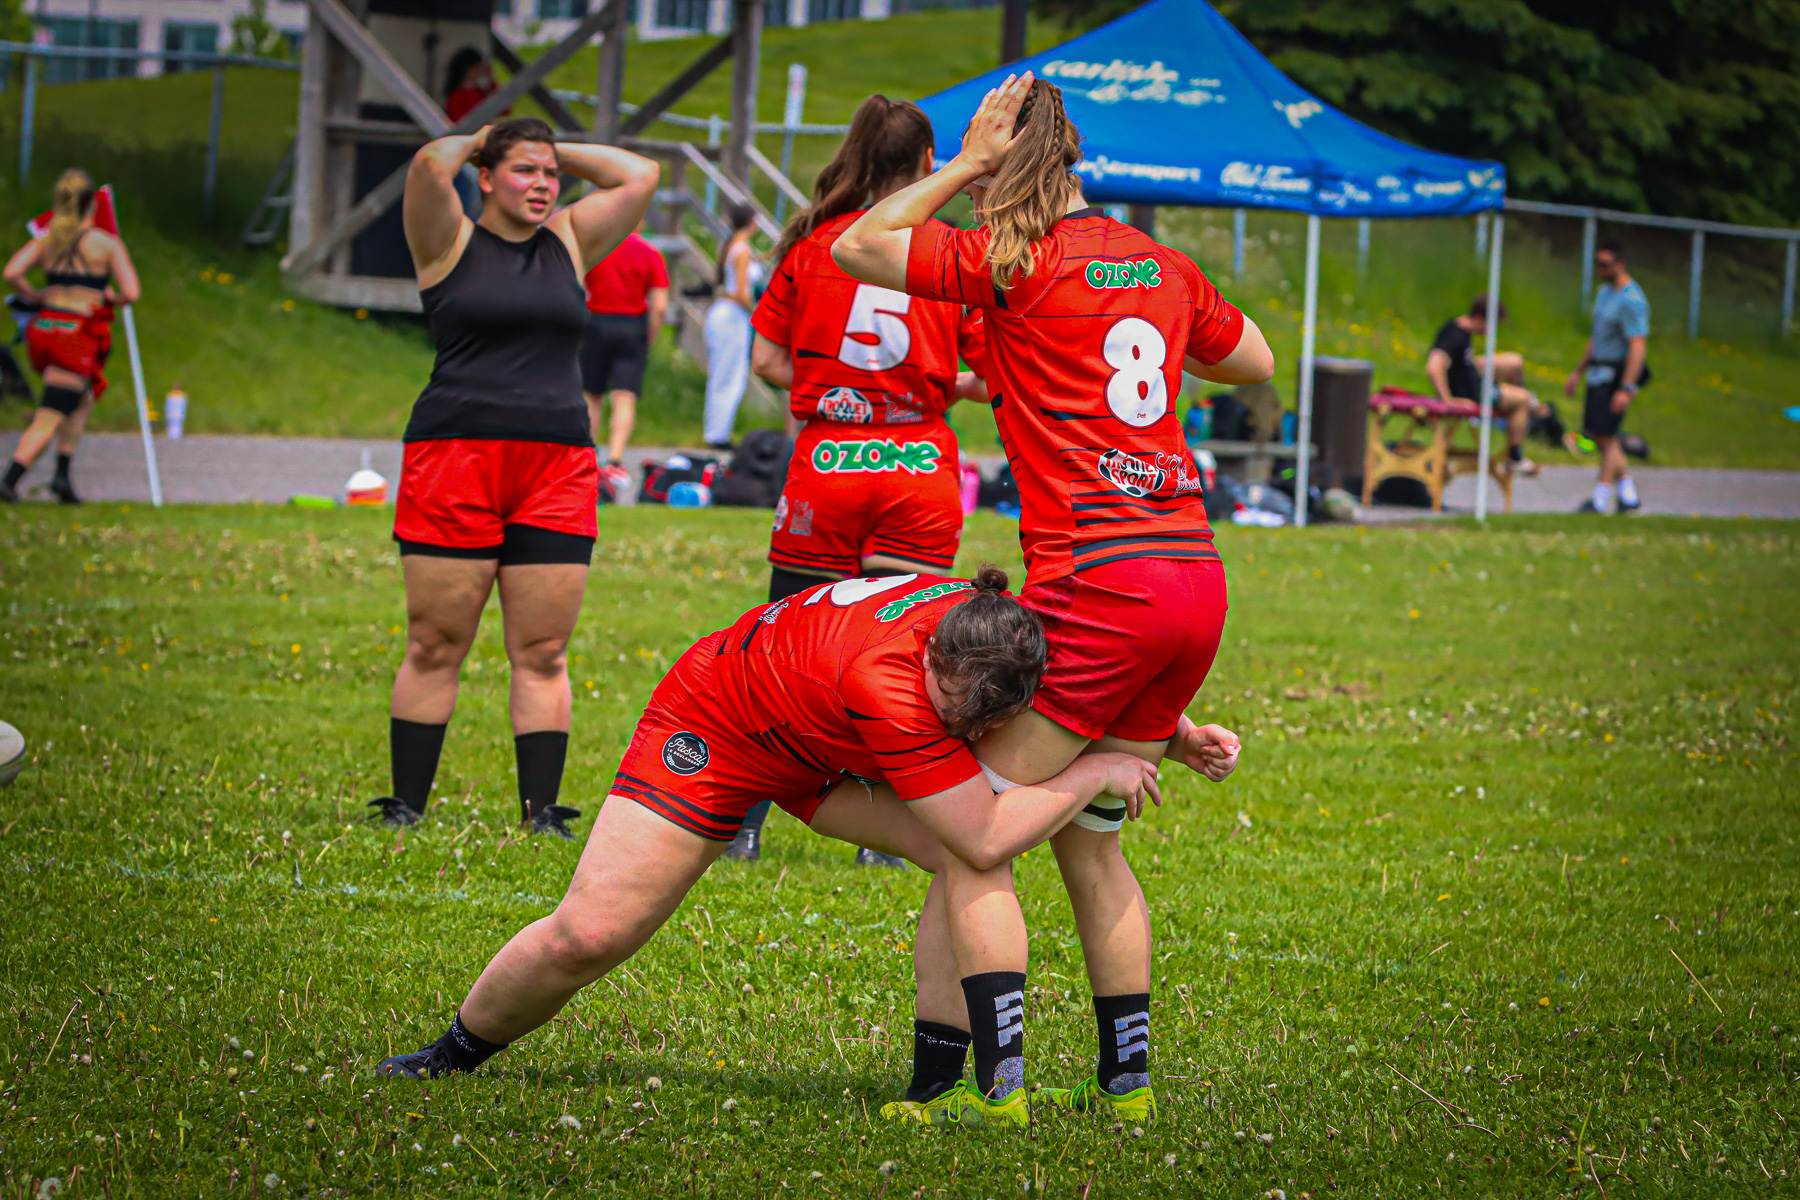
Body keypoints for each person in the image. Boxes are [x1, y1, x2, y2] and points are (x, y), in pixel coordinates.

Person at [835, 72, 1269, 1123]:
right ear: (1076, 160)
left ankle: (971, 1088)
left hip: (1099, 580)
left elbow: (858, 243)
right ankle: (1126, 1089)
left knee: (971, 831)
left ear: (1003, 160)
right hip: (1191, 575)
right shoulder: (1160, 262)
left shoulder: (1008, 260)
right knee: (1093, 837)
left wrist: (964, 166)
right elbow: (1251, 362)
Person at [374, 568, 1163, 1091]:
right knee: (590, 934)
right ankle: (449, 1053)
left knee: (962, 856)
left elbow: (1069, 690)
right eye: (951, 704)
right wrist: (1094, 773)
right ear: (929, 652)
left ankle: (940, 1088)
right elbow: (990, 831)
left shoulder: (994, 632)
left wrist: (1177, 728)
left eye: (986, 714)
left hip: (817, 746)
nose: (964, 725)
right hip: (719, 728)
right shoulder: (888, 682)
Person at [370, 117, 658, 839]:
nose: (543, 185)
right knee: (436, 641)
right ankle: (406, 805)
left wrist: (547, 145)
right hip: (454, 457)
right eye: (524, 172)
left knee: (544, 651)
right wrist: (486, 136)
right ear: (487, 177)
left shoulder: (569, 240)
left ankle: (542, 813)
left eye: (550, 174)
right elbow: (428, 167)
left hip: (556, 463)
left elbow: (639, 175)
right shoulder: (447, 239)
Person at [724, 95, 988, 869]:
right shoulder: (947, 246)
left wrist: (829, 383)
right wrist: (940, 381)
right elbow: (980, 368)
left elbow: (769, 359)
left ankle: (744, 816)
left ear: (859, 156)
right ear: (930, 164)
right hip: (918, 466)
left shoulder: (815, 240)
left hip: (829, 463)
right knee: (905, 649)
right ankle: (889, 828)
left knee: (781, 642)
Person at [1, 169, 139, 505]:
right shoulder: (105, 244)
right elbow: (131, 292)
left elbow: (12, 272)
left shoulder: (49, 240)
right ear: (92, 204)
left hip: (44, 329)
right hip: (75, 335)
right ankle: (10, 480)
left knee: (81, 401)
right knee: (52, 411)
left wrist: (36, 295)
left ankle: (62, 477)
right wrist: (109, 300)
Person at [579, 220, 669, 498]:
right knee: (624, 396)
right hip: (631, 326)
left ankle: (587, 455)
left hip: (596, 322)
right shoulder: (650, 253)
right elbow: (660, 305)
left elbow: (579, 289)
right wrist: (648, 336)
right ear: (641, 222)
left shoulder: (598, 249)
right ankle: (615, 461)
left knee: (591, 395)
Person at [1567, 238, 1649, 514]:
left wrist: (1626, 387)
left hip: (1616, 372)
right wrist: (1578, 371)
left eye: (1605, 264)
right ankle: (1627, 495)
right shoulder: (1604, 293)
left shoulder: (1632, 300)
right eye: (1597, 264)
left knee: (1605, 436)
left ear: (1620, 264)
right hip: (1598, 370)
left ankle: (1602, 498)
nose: (1600, 269)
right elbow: (1597, 337)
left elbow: (1637, 345)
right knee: (1601, 434)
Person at [1425, 296, 1545, 476]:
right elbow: (1434, 368)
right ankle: (1515, 457)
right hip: (1473, 393)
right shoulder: (1455, 337)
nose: (1492, 331)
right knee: (1523, 400)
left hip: (1471, 379)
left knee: (1515, 362)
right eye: (1492, 325)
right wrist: (1447, 401)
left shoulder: (1458, 328)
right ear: (1481, 318)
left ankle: (1528, 405)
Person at [702, 204, 762, 449]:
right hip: (733, 315)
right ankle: (719, 433)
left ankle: (716, 429)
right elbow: (741, 292)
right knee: (730, 374)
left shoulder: (727, 245)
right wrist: (759, 311)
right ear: (750, 222)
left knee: (721, 373)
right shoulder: (743, 250)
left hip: (722, 313)